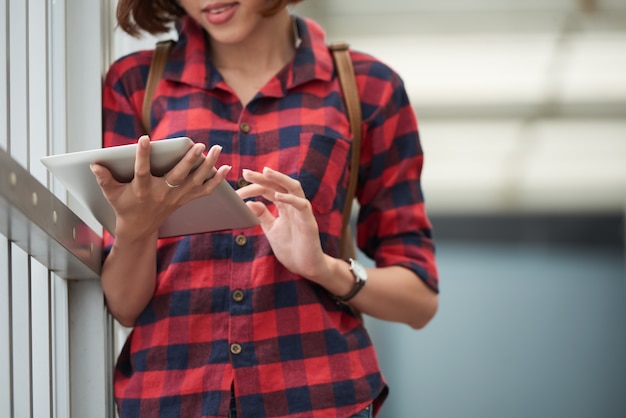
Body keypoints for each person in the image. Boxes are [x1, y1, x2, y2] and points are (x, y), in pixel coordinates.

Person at [91, 0, 439, 416]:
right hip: (171, 398)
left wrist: (323, 268)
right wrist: (135, 227)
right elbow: (125, 306)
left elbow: (419, 299)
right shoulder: (134, 83)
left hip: (319, 397)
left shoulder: (367, 87)